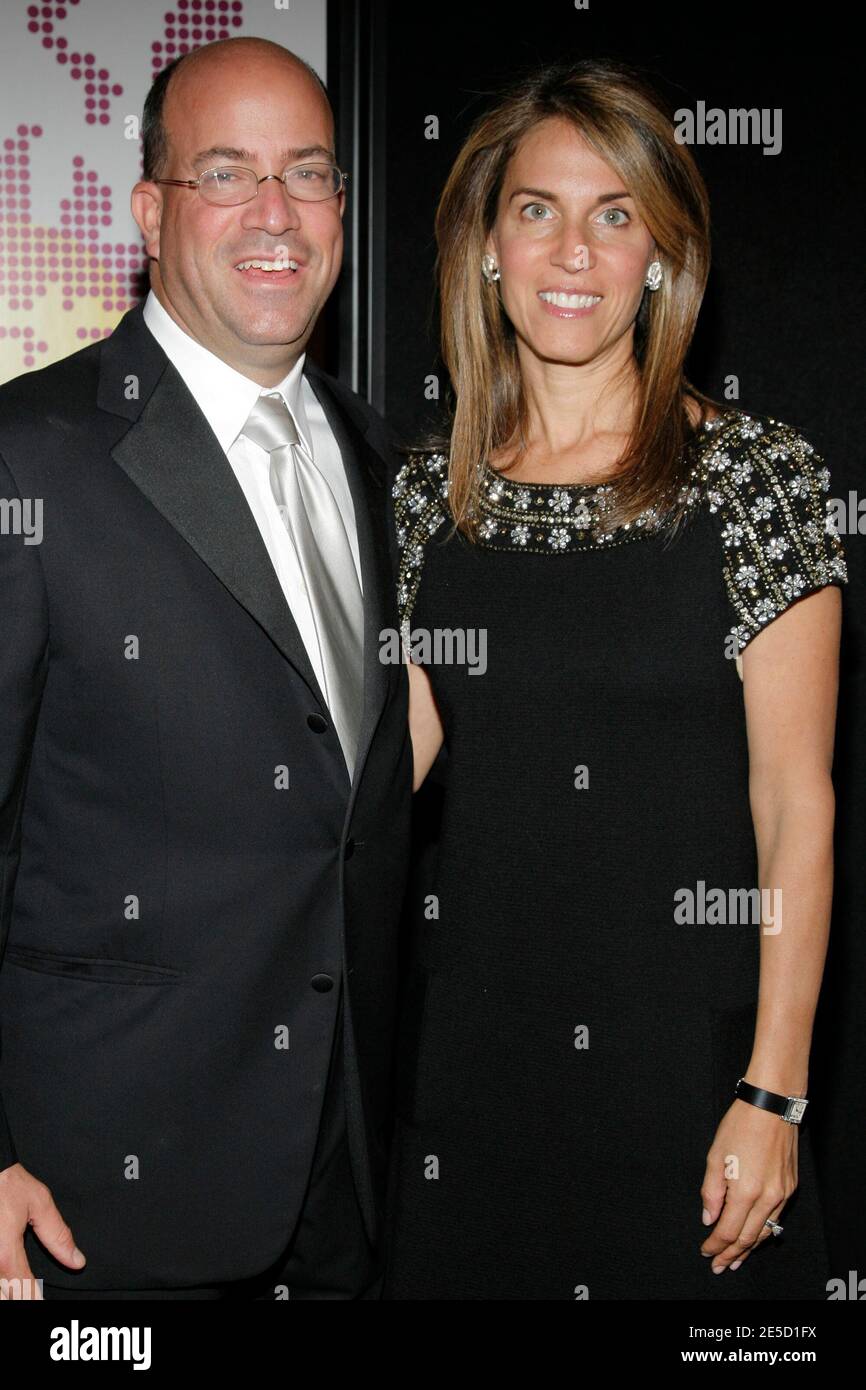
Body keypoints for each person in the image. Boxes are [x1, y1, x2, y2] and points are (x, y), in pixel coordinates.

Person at [382, 58, 847, 1300]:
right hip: (464, 1086)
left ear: (659, 253)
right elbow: (380, 783)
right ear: (487, 245)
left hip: (690, 1089)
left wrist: (771, 1088)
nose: (571, 250)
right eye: (535, 209)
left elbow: (794, 805)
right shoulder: (427, 495)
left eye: (613, 213)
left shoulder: (754, 476)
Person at [0, 36, 412, 1300]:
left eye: (308, 174)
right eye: (225, 173)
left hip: (346, 1171)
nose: (276, 214)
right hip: (98, 1195)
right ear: (148, 212)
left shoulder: (376, 452)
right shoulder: (30, 458)